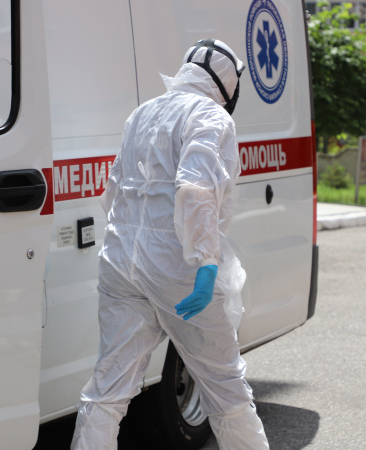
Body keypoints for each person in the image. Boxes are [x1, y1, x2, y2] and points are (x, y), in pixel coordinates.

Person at [71, 39, 269, 450]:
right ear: (227, 82)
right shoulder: (210, 116)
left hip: (122, 263)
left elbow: (113, 192)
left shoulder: (142, 113)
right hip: (179, 269)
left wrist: (134, 243)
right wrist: (206, 262)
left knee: (107, 388)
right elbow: (196, 190)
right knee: (225, 389)